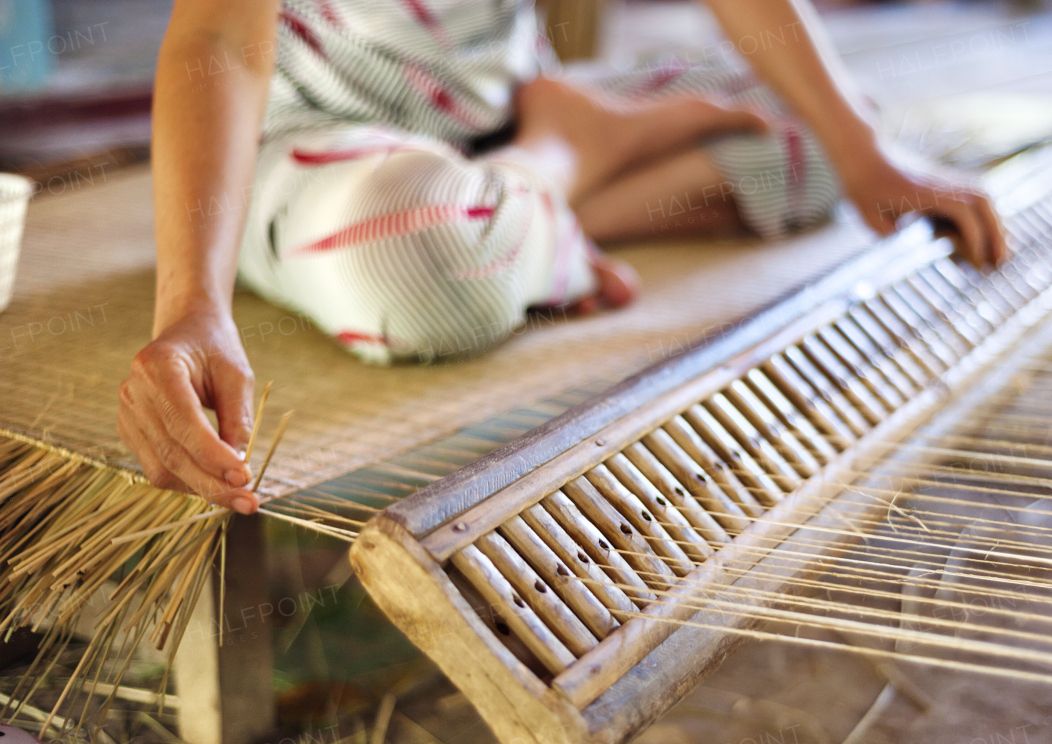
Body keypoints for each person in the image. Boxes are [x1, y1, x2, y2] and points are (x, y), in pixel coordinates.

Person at [117, 0, 1006, 516]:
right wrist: (194, 303)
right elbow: (218, 42)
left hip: (507, 109)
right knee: (417, 270)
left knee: (815, 142)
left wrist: (864, 154)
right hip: (321, 152)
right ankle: (563, 165)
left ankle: (528, 196)